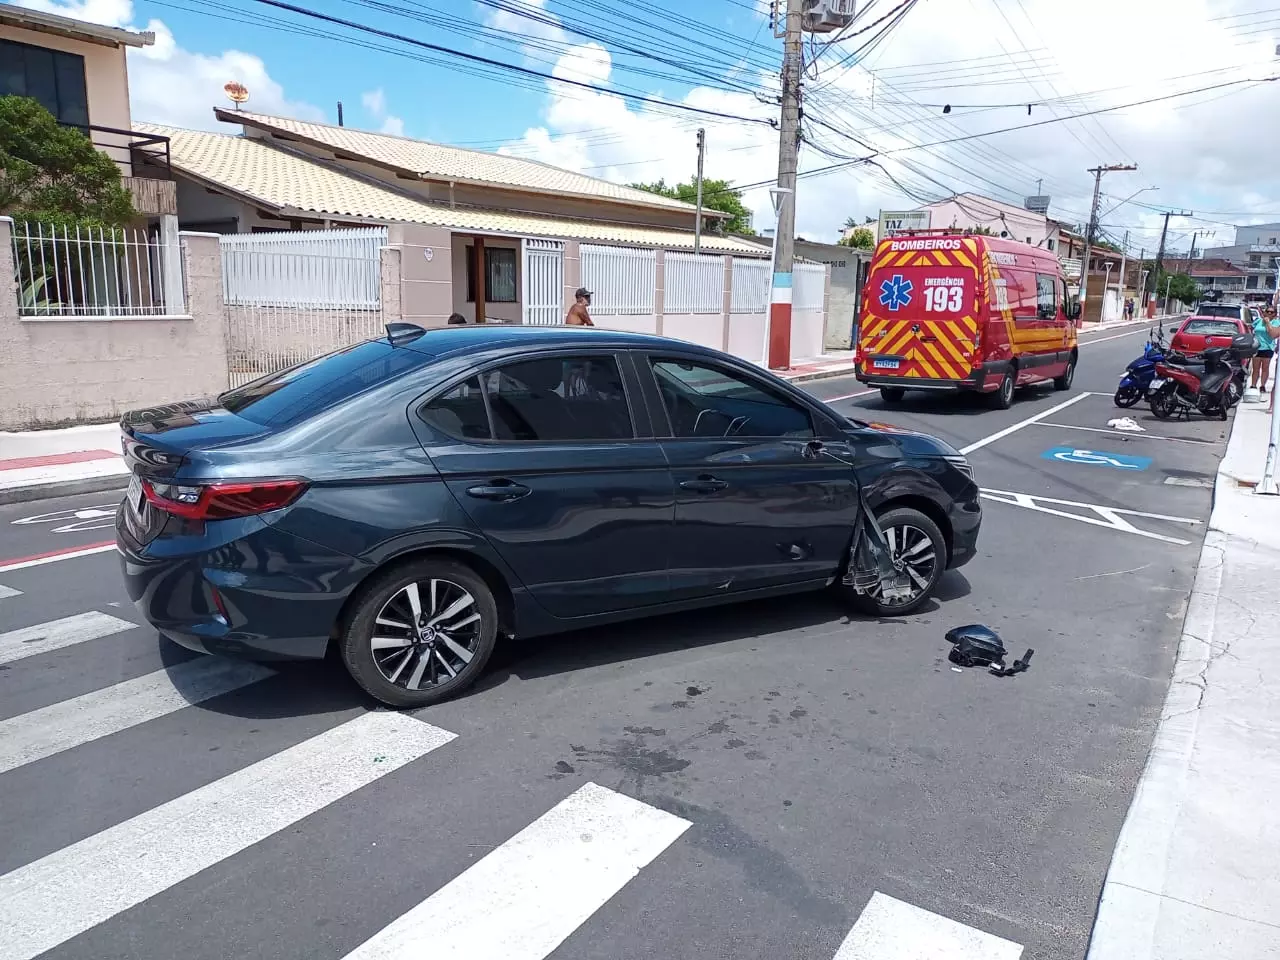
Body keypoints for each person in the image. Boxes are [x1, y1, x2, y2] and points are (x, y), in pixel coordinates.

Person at [1255, 305, 1280, 397]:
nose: (1269, 313)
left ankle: (1262, 385)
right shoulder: (1258, 321)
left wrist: (1268, 323)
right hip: (1257, 347)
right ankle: (1253, 385)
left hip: (1268, 347)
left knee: (1265, 368)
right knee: (1255, 368)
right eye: (1268, 311)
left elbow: (1272, 333)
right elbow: (1252, 330)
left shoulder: (1276, 322)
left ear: (1274, 314)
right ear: (1264, 312)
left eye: (1271, 312)